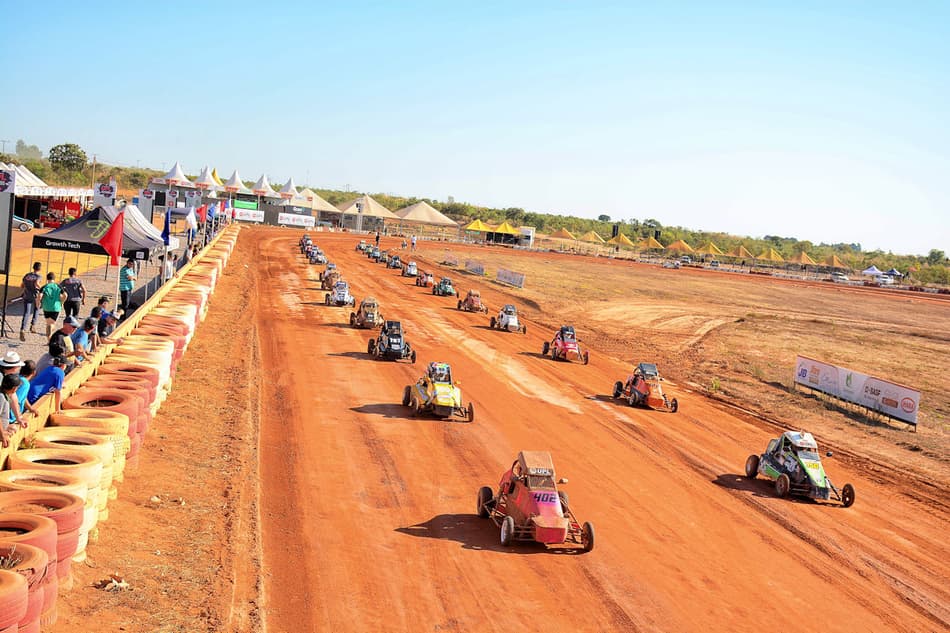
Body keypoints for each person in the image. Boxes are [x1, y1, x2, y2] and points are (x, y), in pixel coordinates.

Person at [0, 352, 28, 432]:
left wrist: (19, 418)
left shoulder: (7, 375)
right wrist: (2, 433)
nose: (19, 368)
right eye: (18, 366)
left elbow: (13, 395)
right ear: (14, 367)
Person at [38, 272, 65, 340]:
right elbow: (65, 295)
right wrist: (62, 301)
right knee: (52, 324)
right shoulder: (58, 286)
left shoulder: (44, 287)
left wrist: (38, 303)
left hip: (46, 307)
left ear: (47, 279)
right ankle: (51, 329)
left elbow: (39, 296)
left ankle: (48, 340)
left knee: (48, 323)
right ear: (54, 279)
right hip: (56, 307)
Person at [19, 261, 42, 341]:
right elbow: (37, 283)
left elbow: (22, 285)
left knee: (26, 313)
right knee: (37, 308)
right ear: (40, 269)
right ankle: (33, 325)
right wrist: (42, 288)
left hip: (27, 295)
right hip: (35, 296)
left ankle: (23, 329)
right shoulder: (38, 276)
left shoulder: (27, 275)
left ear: (33, 267)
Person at [1, 374, 24, 448]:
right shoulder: (1, 397)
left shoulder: (5, 394)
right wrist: (2, 435)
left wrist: (6, 426)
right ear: (14, 388)